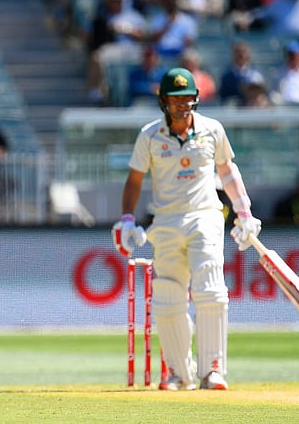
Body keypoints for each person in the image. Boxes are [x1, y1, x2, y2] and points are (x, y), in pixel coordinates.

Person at [112, 67, 262, 390]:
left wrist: (244, 210)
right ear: (162, 101)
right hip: (165, 221)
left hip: (205, 215)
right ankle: (181, 373)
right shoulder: (149, 135)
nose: (182, 105)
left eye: (187, 98)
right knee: (167, 297)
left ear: (195, 99)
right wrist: (126, 219)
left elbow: (227, 171)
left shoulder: (212, 130)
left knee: (210, 289)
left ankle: (213, 371)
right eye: (175, 99)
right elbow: (134, 180)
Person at [218, 40, 266, 105]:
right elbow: (223, 98)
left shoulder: (256, 75)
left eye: (244, 52)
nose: (241, 55)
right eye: (238, 52)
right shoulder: (227, 77)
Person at [270, 40, 299, 105]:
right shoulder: (276, 74)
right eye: (291, 56)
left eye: (297, 56)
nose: (294, 59)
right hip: (284, 110)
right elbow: (273, 95)